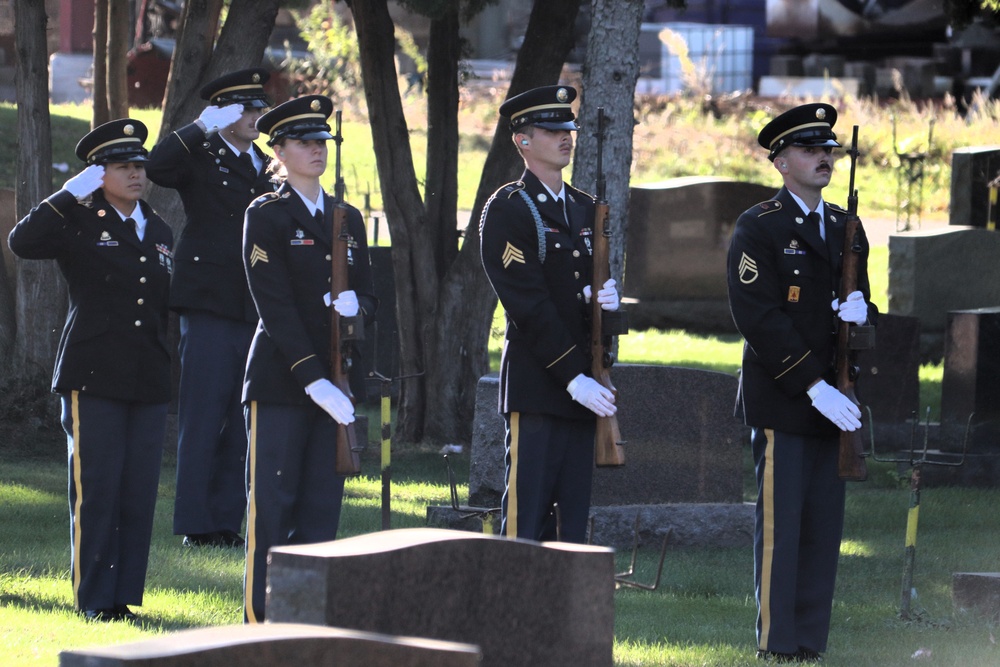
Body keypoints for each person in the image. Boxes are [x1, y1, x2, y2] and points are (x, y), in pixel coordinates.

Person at [726, 103, 878, 662]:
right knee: (781, 528)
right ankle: (777, 641)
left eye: (828, 150)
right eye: (811, 150)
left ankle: (810, 641)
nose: (823, 158)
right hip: (788, 399)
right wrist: (814, 385)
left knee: (821, 531)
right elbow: (757, 315)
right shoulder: (759, 226)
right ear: (781, 160)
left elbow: (867, 307)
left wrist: (865, 316)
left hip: (836, 402)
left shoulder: (846, 227)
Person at [8, 119, 173, 622]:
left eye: (138, 165)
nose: (136, 174)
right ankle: (94, 599)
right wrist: (64, 195)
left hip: (148, 374)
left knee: (136, 491)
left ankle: (123, 596)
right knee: (97, 487)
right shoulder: (77, 221)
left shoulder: (160, 228)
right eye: (122, 166)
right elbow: (22, 241)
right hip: (93, 372)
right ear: (98, 174)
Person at [241, 94, 376, 623]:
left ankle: (306, 625)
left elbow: (369, 296)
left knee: (321, 515)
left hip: (337, 385)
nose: (317, 150)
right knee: (272, 510)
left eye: (322, 141)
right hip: (282, 381)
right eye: (304, 142)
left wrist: (355, 308)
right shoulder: (266, 215)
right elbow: (272, 304)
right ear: (278, 150)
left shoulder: (348, 218)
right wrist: (311, 378)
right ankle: (259, 624)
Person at [479, 85, 620, 544]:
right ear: (522, 140)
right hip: (540, 386)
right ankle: (513, 614)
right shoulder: (509, 209)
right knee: (527, 523)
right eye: (551, 130)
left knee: (572, 529)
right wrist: (573, 376)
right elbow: (527, 305)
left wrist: (607, 311)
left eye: (568, 129)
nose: (566, 137)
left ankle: (565, 617)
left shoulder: (583, 207)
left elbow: (589, 304)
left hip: (585, 386)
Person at [145, 68, 273, 549]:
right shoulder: (201, 154)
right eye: (243, 108)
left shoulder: (264, 163)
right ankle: (196, 523)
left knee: (243, 416)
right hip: (209, 300)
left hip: (254, 301)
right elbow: (157, 167)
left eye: (257, 107)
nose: (254, 115)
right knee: (203, 414)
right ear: (222, 112)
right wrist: (198, 127)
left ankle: (226, 520)